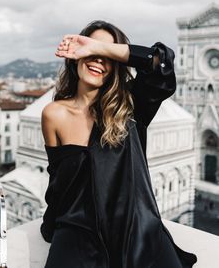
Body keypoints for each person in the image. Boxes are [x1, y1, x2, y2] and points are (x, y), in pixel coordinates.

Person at [40, 20, 197, 268]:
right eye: (91, 51)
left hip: (137, 233)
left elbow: (161, 63)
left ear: (117, 64)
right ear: (75, 58)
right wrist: (51, 227)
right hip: (78, 233)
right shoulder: (53, 114)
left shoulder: (132, 106)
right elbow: (59, 180)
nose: (98, 59)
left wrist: (99, 48)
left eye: (106, 54)